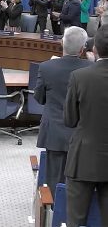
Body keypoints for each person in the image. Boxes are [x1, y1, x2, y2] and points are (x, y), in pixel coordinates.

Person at [34, 26, 91, 199]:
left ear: (62, 44)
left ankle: (53, 219)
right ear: (83, 49)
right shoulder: (91, 69)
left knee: (54, 182)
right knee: (79, 182)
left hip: (55, 132)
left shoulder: (46, 67)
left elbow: (39, 98)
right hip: (82, 134)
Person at [64, 25, 108, 227]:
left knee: (76, 220)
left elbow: (70, 120)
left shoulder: (80, 77)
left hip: (83, 159)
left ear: (95, 50)